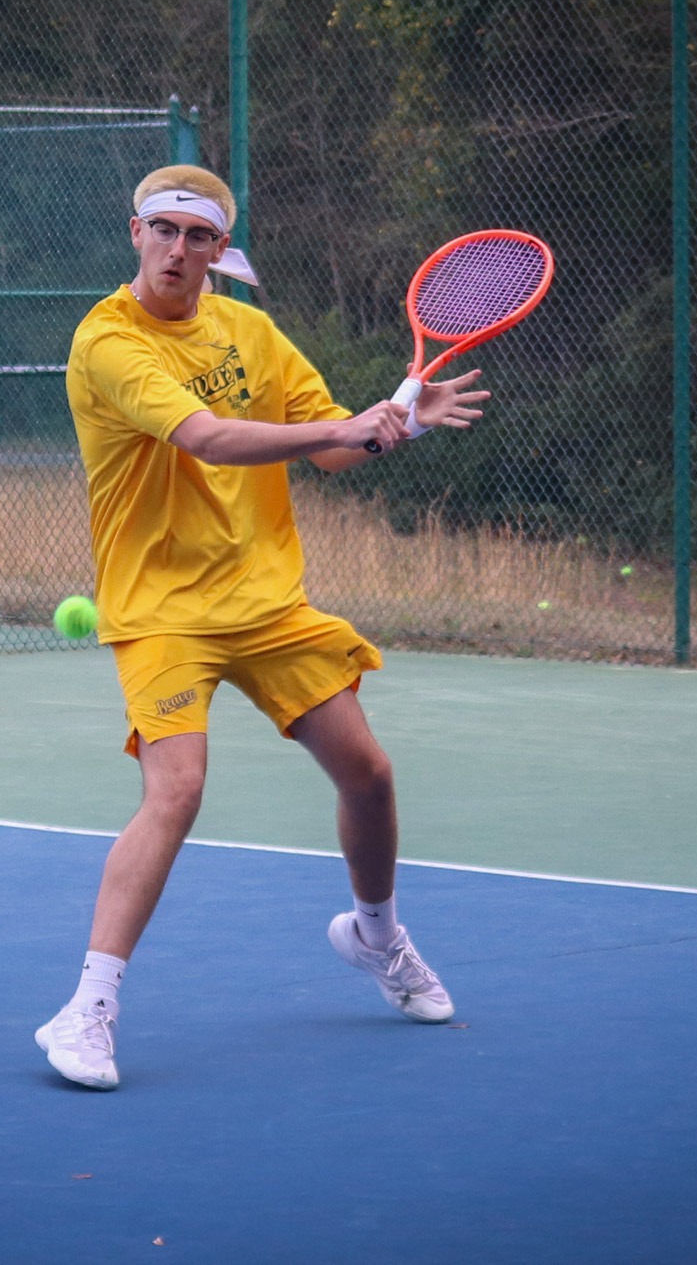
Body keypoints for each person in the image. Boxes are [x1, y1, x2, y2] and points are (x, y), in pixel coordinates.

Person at [37, 165, 490, 1090]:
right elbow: (208, 436)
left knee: (368, 773)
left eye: (197, 236)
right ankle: (86, 1009)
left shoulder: (251, 332)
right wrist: (355, 425)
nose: (177, 249)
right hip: (163, 610)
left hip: (267, 601)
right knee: (176, 791)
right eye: (163, 229)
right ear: (135, 233)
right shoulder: (107, 341)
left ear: (218, 251)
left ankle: (376, 935)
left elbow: (332, 449)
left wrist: (399, 423)